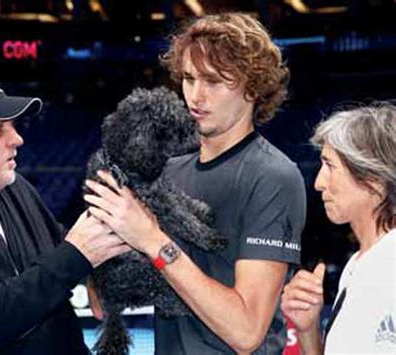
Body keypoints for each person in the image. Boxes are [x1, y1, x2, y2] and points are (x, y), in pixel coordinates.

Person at [85, 12, 307, 354]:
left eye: (214, 81)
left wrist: (151, 239)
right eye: (188, 78)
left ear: (252, 87)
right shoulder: (165, 172)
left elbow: (246, 332)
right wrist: (106, 229)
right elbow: (101, 306)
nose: (195, 96)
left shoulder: (274, 176)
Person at [0, 70, 130, 355]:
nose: (17, 138)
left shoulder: (13, 187)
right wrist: (74, 260)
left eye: (13, 125)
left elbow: (55, 244)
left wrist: (94, 271)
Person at [281, 104, 396, 353]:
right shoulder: (358, 264)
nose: (320, 183)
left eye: (330, 166)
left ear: (372, 179)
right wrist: (308, 329)